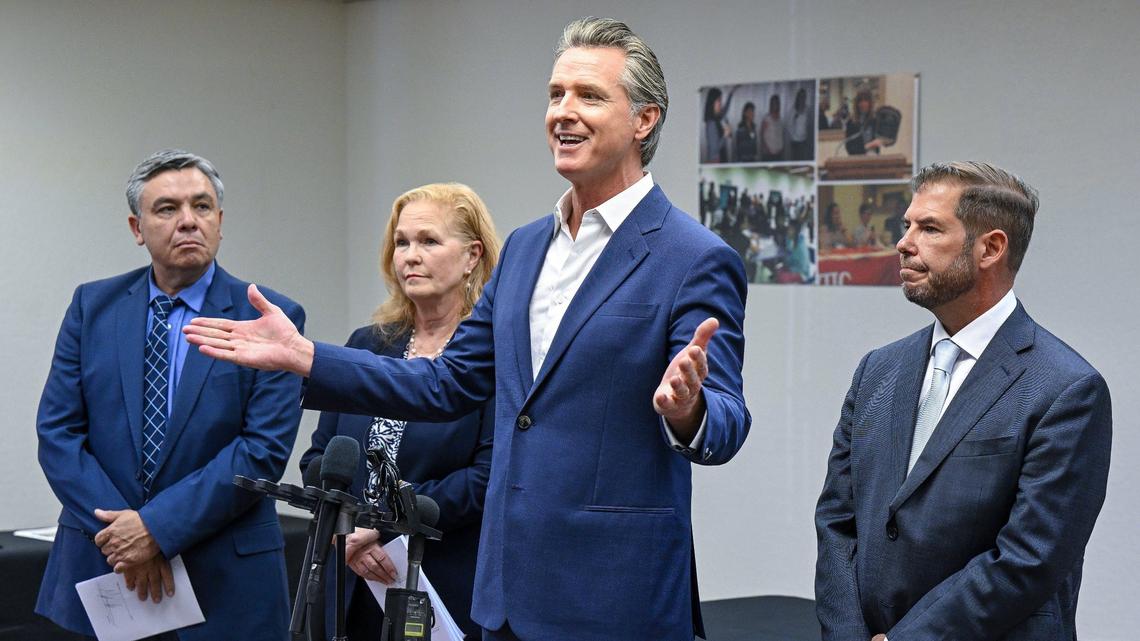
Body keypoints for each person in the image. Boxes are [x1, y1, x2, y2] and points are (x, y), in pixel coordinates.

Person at [185, 17, 750, 641]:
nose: (564, 111)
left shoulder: (693, 256)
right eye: (555, 94)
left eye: (589, 96)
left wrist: (687, 410)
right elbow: (446, 385)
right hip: (504, 593)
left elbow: (725, 422)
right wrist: (308, 359)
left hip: (615, 596)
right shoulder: (529, 246)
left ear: (644, 120)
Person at [815, 161, 1112, 640]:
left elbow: (1028, 558)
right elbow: (837, 519)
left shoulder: (1067, 389)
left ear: (991, 248)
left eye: (929, 228)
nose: (904, 242)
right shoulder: (878, 370)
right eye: (906, 225)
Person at [35, 149, 305, 640]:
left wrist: (156, 529)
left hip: (226, 583)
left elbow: (261, 452)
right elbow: (58, 434)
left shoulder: (269, 318)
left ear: (220, 222)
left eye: (202, 208)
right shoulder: (92, 307)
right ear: (137, 228)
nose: (188, 221)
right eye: (167, 209)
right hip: (106, 571)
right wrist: (126, 538)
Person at [301, 183, 498, 640]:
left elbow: (486, 478)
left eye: (429, 241)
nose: (410, 255)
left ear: (472, 255)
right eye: (401, 242)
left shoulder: (490, 354)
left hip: (441, 579)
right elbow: (318, 462)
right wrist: (345, 532)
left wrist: (386, 524)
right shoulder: (367, 345)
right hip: (348, 576)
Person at [702, 85, 736, 163]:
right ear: (712, 102)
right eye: (719, 100)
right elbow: (714, 150)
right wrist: (725, 135)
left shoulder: (717, 117)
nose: (720, 104)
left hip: (721, 158)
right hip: (716, 160)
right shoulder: (711, 123)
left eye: (721, 100)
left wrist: (731, 94)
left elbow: (725, 109)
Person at [845, 89, 882, 156]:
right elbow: (849, 148)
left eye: (866, 100)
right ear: (857, 104)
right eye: (860, 101)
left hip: (874, 158)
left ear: (870, 103)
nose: (863, 104)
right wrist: (868, 146)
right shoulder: (851, 122)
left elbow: (878, 144)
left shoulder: (875, 121)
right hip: (857, 159)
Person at [789, 88, 812, 160]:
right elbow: (789, 126)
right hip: (795, 142)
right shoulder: (793, 110)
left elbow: (808, 124)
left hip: (804, 141)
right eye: (801, 96)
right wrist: (793, 137)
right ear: (798, 97)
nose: (802, 98)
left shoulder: (807, 109)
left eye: (804, 96)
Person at [760, 93, 785, 161]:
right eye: (773, 103)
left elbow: (781, 135)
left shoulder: (780, 119)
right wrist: (766, 149)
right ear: (771, 104)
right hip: (769, 153)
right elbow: (762, 135)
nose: (775, 105)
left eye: (776, 103)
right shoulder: (767, 118)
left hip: (779, 152)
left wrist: (782, 148)